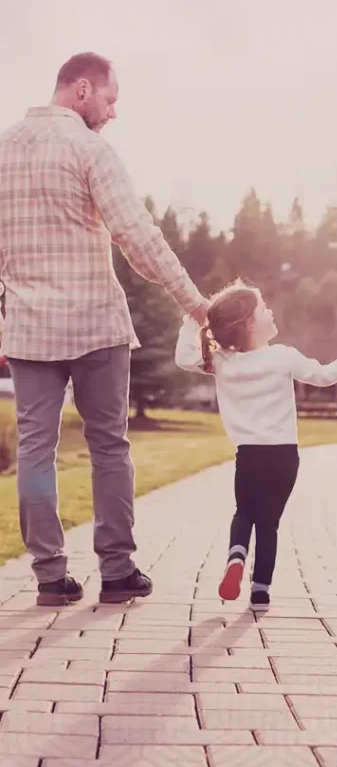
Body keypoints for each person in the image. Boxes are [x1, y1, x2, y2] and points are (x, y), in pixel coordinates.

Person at [0, 52, 208, 607]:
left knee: (35, 451)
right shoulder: (90, 149)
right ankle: (117, 572)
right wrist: (196, 303)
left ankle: (49, 577)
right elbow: (137, 236)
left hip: (27, 331)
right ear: (84, 90)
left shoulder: (2, 149)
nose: (113, 114)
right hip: (94, 324)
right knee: (109, 447)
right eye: (111, 101)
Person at [175, 281, 337, 612]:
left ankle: (236, 556)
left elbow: (183, 357)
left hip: (248, 456)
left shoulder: (222, 362)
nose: (270, 311)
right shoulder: (282, 356)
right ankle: (260, 592)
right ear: (249, 323)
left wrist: (194, 317)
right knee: (269, 523)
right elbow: (325, 376)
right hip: (284, 457)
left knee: (244, 512)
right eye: (263, 309)